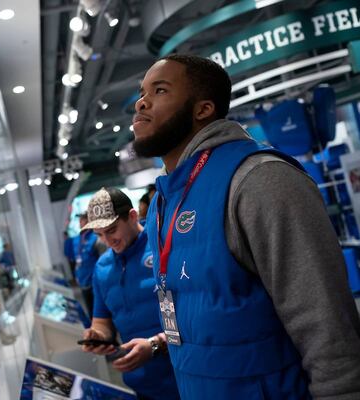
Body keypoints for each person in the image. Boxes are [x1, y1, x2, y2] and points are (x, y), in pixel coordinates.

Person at [132, 53, 360, 399]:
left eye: (159, 90)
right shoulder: (164, 201)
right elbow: (214, 311)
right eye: (142, 91)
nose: (141, 102)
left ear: (203, 109)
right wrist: (160, 343)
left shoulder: (260, 180)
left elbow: (326, 325)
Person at [81, 187, 180, 400]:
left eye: (112, 230)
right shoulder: (102, 268)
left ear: (132, 216)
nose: (107, 241)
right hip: (141, 386)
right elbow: (101, 322)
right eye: (100, 235)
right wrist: (97, 336)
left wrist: (155, 344)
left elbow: (189, 315)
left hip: (183, 379)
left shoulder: (163, 249)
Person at [74, 213, 106, 317]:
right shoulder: (79, 239)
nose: (80, 223)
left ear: (88, 221)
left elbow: (104, 260)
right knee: (91, 313)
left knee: (101, 313)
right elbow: (78, 259)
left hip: (95, 283)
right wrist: (77, 274)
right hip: (83, 282)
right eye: (79, 221)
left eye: (82, 220)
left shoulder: (96, 238)